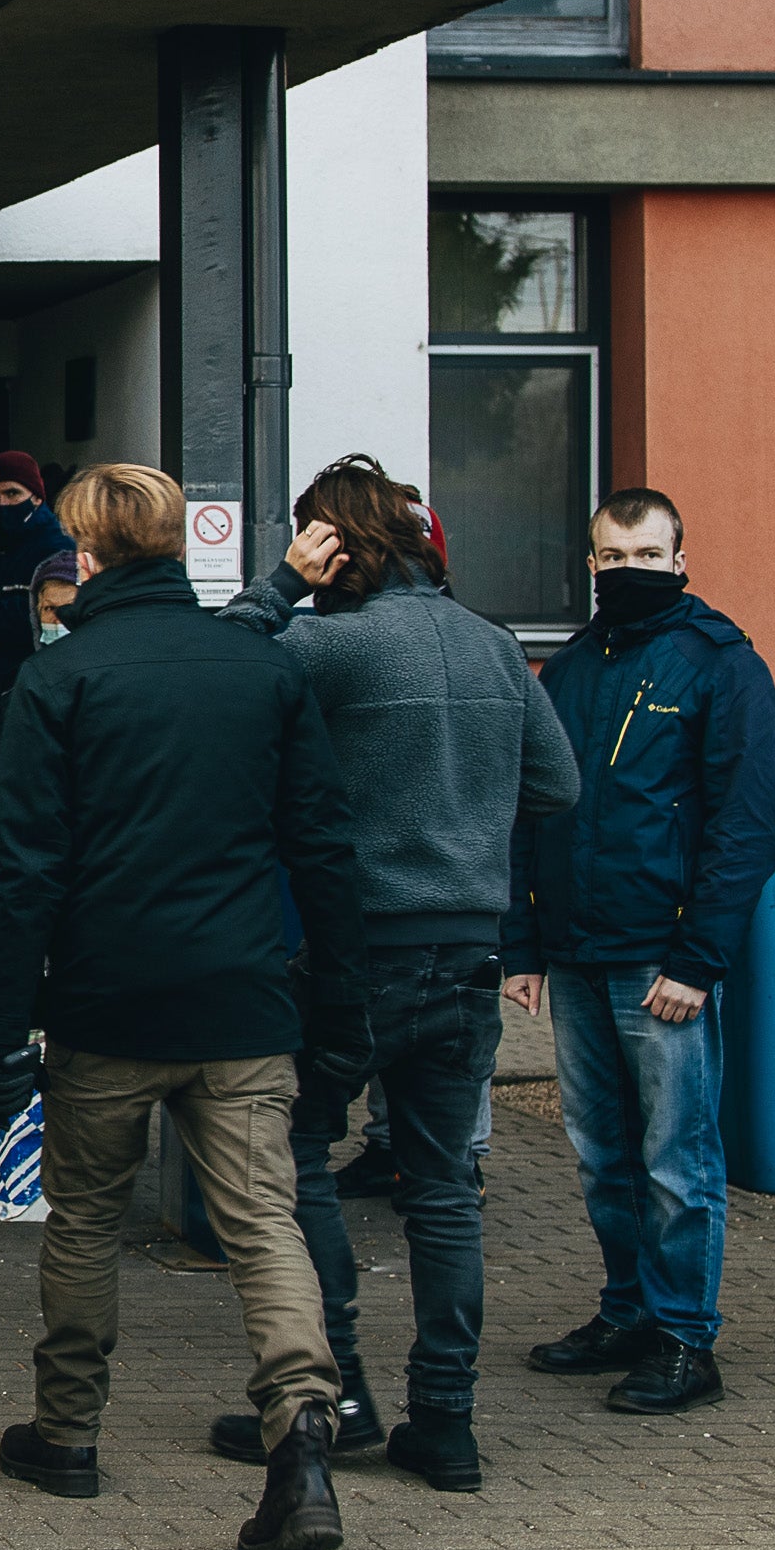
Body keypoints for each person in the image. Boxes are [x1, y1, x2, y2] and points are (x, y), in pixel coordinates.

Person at [0, 464, 369, 1550]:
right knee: (263, 1226)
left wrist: (2, 1032)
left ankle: (66, 1434)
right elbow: (322, 849)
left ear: (85, 557)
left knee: (85, 1220)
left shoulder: (60, 681)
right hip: (241, 1001)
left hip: (105, 1004)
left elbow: (20, 876)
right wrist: (341, 1000)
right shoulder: (256, 669)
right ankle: (302, 1428)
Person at [192, 457, 577, 1492]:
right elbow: (557, 785)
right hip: (468, 949)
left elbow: (212, 683)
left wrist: (278, 584)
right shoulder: (495, 646)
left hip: (356, 948)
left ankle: (340, 1394)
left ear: (334, 544)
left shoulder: (324, 644)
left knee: (304, 1157)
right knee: (444, 1187)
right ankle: (444, 1422)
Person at [509, 487, 775, 1418]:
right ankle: (627, 1311)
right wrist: (524, 943)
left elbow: (744, 829)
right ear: (591, 563)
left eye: (644, 553)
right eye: (610, 556)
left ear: (679, 556)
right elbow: (532, 807)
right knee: (602, 1153)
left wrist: (698, 959)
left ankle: (682, 1337)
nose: (626, 569)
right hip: (577, 952)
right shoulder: (573, 666)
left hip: (662, 960)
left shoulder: (721, 665)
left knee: (677, 1157)